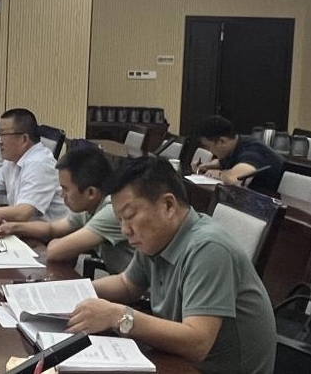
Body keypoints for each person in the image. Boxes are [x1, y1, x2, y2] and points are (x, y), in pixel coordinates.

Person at [68, 156, 277, 374]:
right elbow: (127, 284)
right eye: (120, 220)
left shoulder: (208, 248)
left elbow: (198, 342)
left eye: (130, 216)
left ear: (168, 205)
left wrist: (118, 316)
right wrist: (74, 291)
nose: (125, 230)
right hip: (177, 361)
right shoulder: (156, 239)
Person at [0, 145, 132, 271]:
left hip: (136, 289)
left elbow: (55, 251)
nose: (62, 195)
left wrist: (59, 241)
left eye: (65, 189)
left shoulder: (112, 211)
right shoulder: (88, 206)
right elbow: (52, 229)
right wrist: (13, 227)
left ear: (91, 193)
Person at [191, 115, 284, 195]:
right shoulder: (235, 144)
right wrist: (206, 166)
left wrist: (219, 173)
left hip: (273, 202)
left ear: (222, 141)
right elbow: (225, 161)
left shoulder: (251, 151)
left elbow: (235, 179)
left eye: (208, 147)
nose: (210, 151)